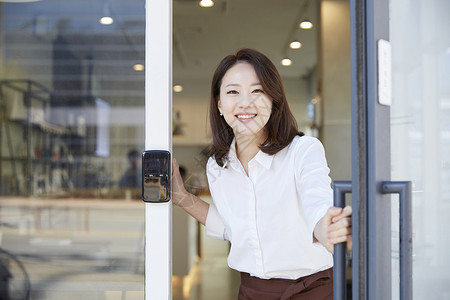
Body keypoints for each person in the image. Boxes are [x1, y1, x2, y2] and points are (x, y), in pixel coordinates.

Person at [171, 48, 352, 300]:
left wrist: (327, 228)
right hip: (252, 291)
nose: (245, 102)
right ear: (220, 104)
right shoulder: (217, 165)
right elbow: (229, 226)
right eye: (233, 91)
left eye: (257, 91)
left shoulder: (303, 150)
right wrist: (180, 196)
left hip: (312, 290)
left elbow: (317, 204)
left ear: (273, 101)